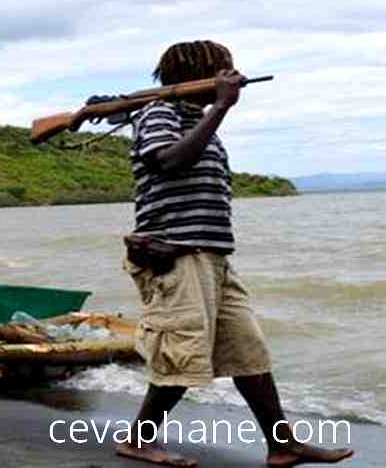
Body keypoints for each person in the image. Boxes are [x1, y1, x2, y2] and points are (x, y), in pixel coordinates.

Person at [109, 41, 354, 467]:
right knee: (182, 350)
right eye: (223, 70)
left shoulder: (193, 118)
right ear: (196, 75)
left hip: (214, 257)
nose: (233, 76)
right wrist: (221, 108)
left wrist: (213, 112)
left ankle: (282, 445)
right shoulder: (158, 114)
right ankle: (137, 440)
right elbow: (169, 162)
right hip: (175, 254)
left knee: (248, 351)